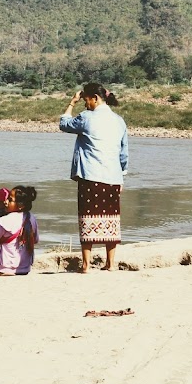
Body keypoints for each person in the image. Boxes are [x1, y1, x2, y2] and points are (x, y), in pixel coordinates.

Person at [59, 82, 129, 273]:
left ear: (95, 99)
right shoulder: (119, 121)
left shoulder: (86, 117)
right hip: (113, 178)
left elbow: (63, 124)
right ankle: (110, 264)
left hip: (90, 176)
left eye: (86, 100)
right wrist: (122, 176)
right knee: (111, 221)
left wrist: (72, 103)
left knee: (87, 219)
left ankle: (86, 265)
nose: (85, 104)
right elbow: (123, 154)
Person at [0, 185, 39, 276]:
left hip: (2, 268)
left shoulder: (5, 221)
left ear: (20, 206)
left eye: (10, 200)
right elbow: (36, 240)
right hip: (24, 268)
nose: (5, 202)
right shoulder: (32, 218)